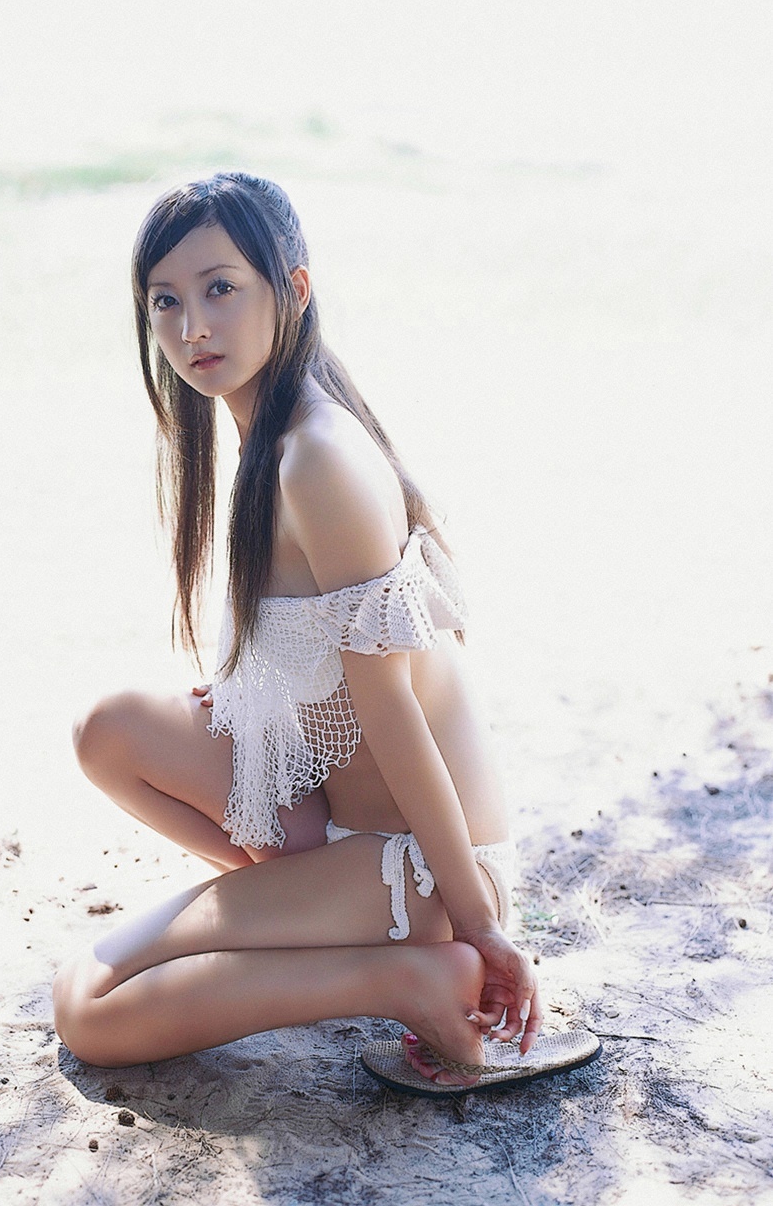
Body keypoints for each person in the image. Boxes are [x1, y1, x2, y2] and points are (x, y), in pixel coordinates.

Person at [53, 172, 597, 1096]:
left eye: (221, 288)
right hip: (336, 817)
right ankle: (322, 924)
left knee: (90, 1004)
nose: (193, 328)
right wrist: (246, 697)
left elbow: (396, 715)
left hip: (416, 866)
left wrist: (481, 926)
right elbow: (321, 661)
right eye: (166, 301)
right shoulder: (272, 434)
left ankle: (407, 975)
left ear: (293, 289)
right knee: (106, 731)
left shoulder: (318, 459)